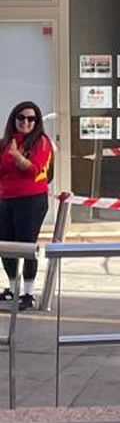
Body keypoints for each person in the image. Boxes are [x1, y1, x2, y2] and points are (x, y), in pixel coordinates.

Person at [0, 98, 53, 309]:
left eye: (31, 119)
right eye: (21, 117)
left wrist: (18, 158)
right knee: (5, 245)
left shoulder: (42, 142)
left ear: (37, 122)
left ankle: (28, 293)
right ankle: (13, 289)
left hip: (31, 200)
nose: (26, 122)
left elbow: (34, 170)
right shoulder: (6, 142)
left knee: (26, 245)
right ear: (13, 119)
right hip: (5, 200)